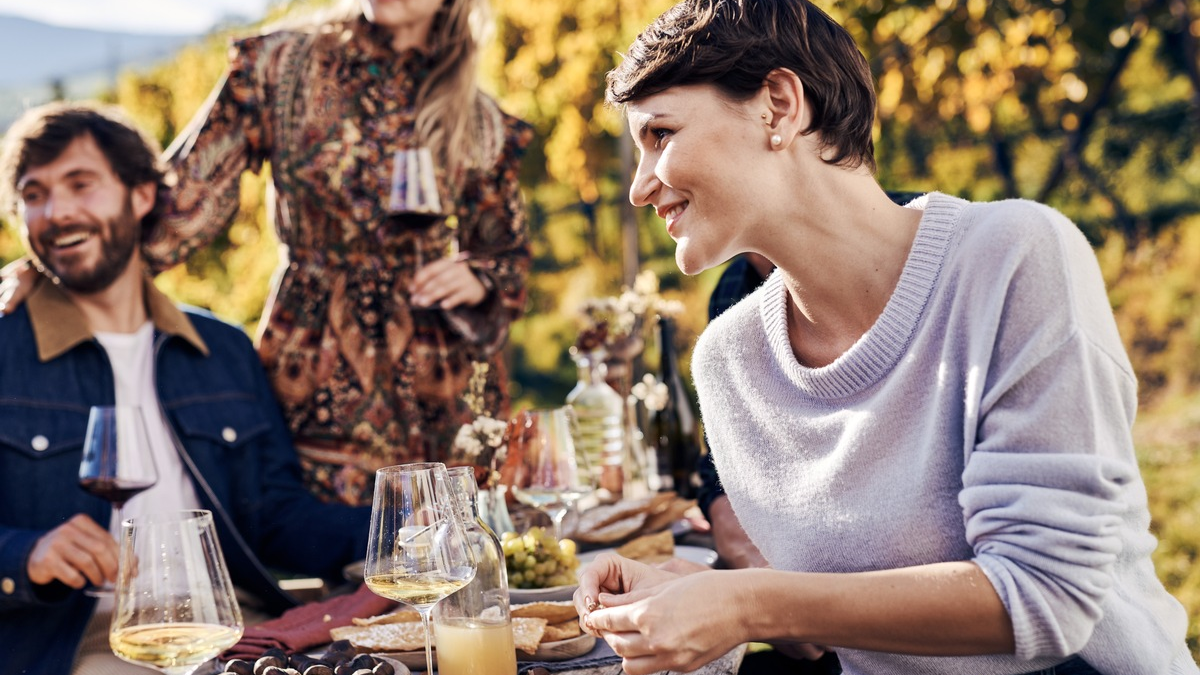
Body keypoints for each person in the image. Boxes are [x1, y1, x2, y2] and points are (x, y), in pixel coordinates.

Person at [574, 2, 1199, 675]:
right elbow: (817, 622)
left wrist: (749, 601)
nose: (639, 188)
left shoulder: (1012, 259)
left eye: (661, 133)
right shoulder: (729, 362)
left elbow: (1047, 595)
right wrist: (695, 593)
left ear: (779, 106)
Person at [1, 0, 534, 507]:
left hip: (441, 379)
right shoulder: (280, 65)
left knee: (453, 544)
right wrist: (59, 269)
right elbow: (186, 200)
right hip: (316, 357)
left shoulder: (479, 114)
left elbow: (509, 258)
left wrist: (480, 279)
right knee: (327, 552)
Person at [0, 102, 373, 675]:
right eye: (34, 195)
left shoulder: (220, 349)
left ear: (141, 195)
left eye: (81, 184)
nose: (57, 212)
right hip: (83, 640)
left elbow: (277, 516)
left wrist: (400, 529)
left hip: (233, 626)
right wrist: (26, 553)